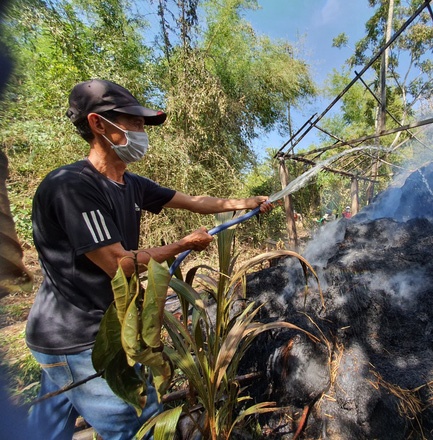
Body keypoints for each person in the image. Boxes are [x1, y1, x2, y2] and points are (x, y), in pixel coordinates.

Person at [25, 79, 272, 440]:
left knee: (46, 428)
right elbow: (119, 264)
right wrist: (181, 245)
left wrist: (246, 203)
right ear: (98, 124)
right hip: (79, 337)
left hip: (75, 332)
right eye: (135, 123)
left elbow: (195, 201)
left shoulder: (133, 184)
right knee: (141, 423)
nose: (143, 133)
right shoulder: (73, 186)